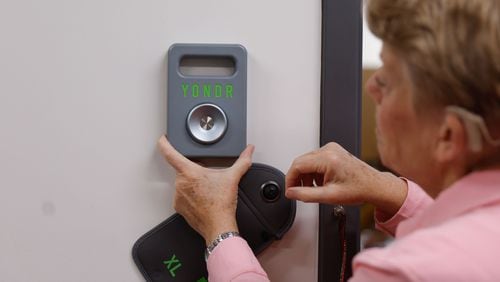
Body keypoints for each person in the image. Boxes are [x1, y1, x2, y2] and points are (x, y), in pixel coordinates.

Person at [157, 0, 500, 280]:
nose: (371, 87)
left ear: (448, 136)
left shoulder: (403, 273)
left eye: (389, 82)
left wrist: (218, 229)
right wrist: (389, 192)